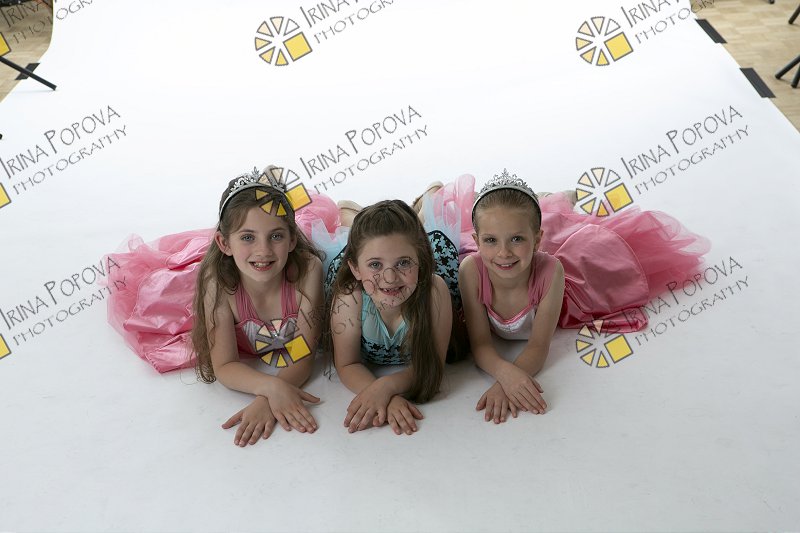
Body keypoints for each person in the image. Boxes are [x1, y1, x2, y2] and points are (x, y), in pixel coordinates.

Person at [457, 170, 710, 424]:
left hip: (570, 287)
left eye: (516, 239)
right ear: (477, 241)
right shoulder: (471, 271)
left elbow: (538, 346)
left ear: (537, 240)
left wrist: (508, 384)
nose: (503, 252)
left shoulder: (551, 272)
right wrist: (506, 374)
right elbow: (481, 344)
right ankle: (550, 202)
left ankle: (557, 202)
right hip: (515, 252)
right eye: (490, 240)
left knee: (600, 255)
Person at [105, 166, 325, 446]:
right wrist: (271, 387)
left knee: (333, 222)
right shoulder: (219, 283)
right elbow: (225, 365)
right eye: (247, 237)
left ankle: (344, 210)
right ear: (223, 242)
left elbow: (303, 354)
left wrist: (265, 401)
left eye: (277, 236)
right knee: (163, 290)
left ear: (292, 239)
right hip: (230, 274)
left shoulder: (308, 270)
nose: (263, 250)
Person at [299, 198, 456, 436]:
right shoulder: (350, 298)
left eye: (404, 262)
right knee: (356, 233)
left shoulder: (434, 292)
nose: (390, 278)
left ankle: (428, 200)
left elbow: (433, 366)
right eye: (375, 265)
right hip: (359, 277)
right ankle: (348, 211)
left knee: (429, 216)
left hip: (425, 278)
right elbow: (347, 363)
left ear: (421, 261)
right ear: (355, 269)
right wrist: (382, 394)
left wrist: (386, 386)